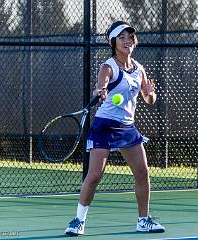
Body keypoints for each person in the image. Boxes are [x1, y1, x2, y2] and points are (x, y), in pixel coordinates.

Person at [64, 21, 166, 236]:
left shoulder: (139, 69)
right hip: (105, 126)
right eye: (122, 38)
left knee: (142, 172)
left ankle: (143, 220)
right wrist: (100, 90)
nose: (127, 41)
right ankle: (78, 221)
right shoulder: (107, 67)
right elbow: (102, 83)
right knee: (94, 175)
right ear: (113, 42)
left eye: (130, 37)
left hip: (127, 127)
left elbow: (149, 99)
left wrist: (149, 92)